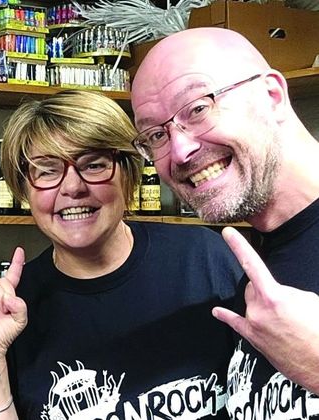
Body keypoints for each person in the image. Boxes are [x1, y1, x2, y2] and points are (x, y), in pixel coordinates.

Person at [0, 90, 244, 419]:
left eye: (93, 165)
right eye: (47, 171)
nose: (72, 187)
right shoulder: (10, 311)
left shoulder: (205, 258)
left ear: (129, 175)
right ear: (24, 191)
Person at [131, 26, 319, 408]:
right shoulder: (251, 268)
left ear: (272, 96)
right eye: (155, 135)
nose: (180, 151)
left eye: (199, 108)